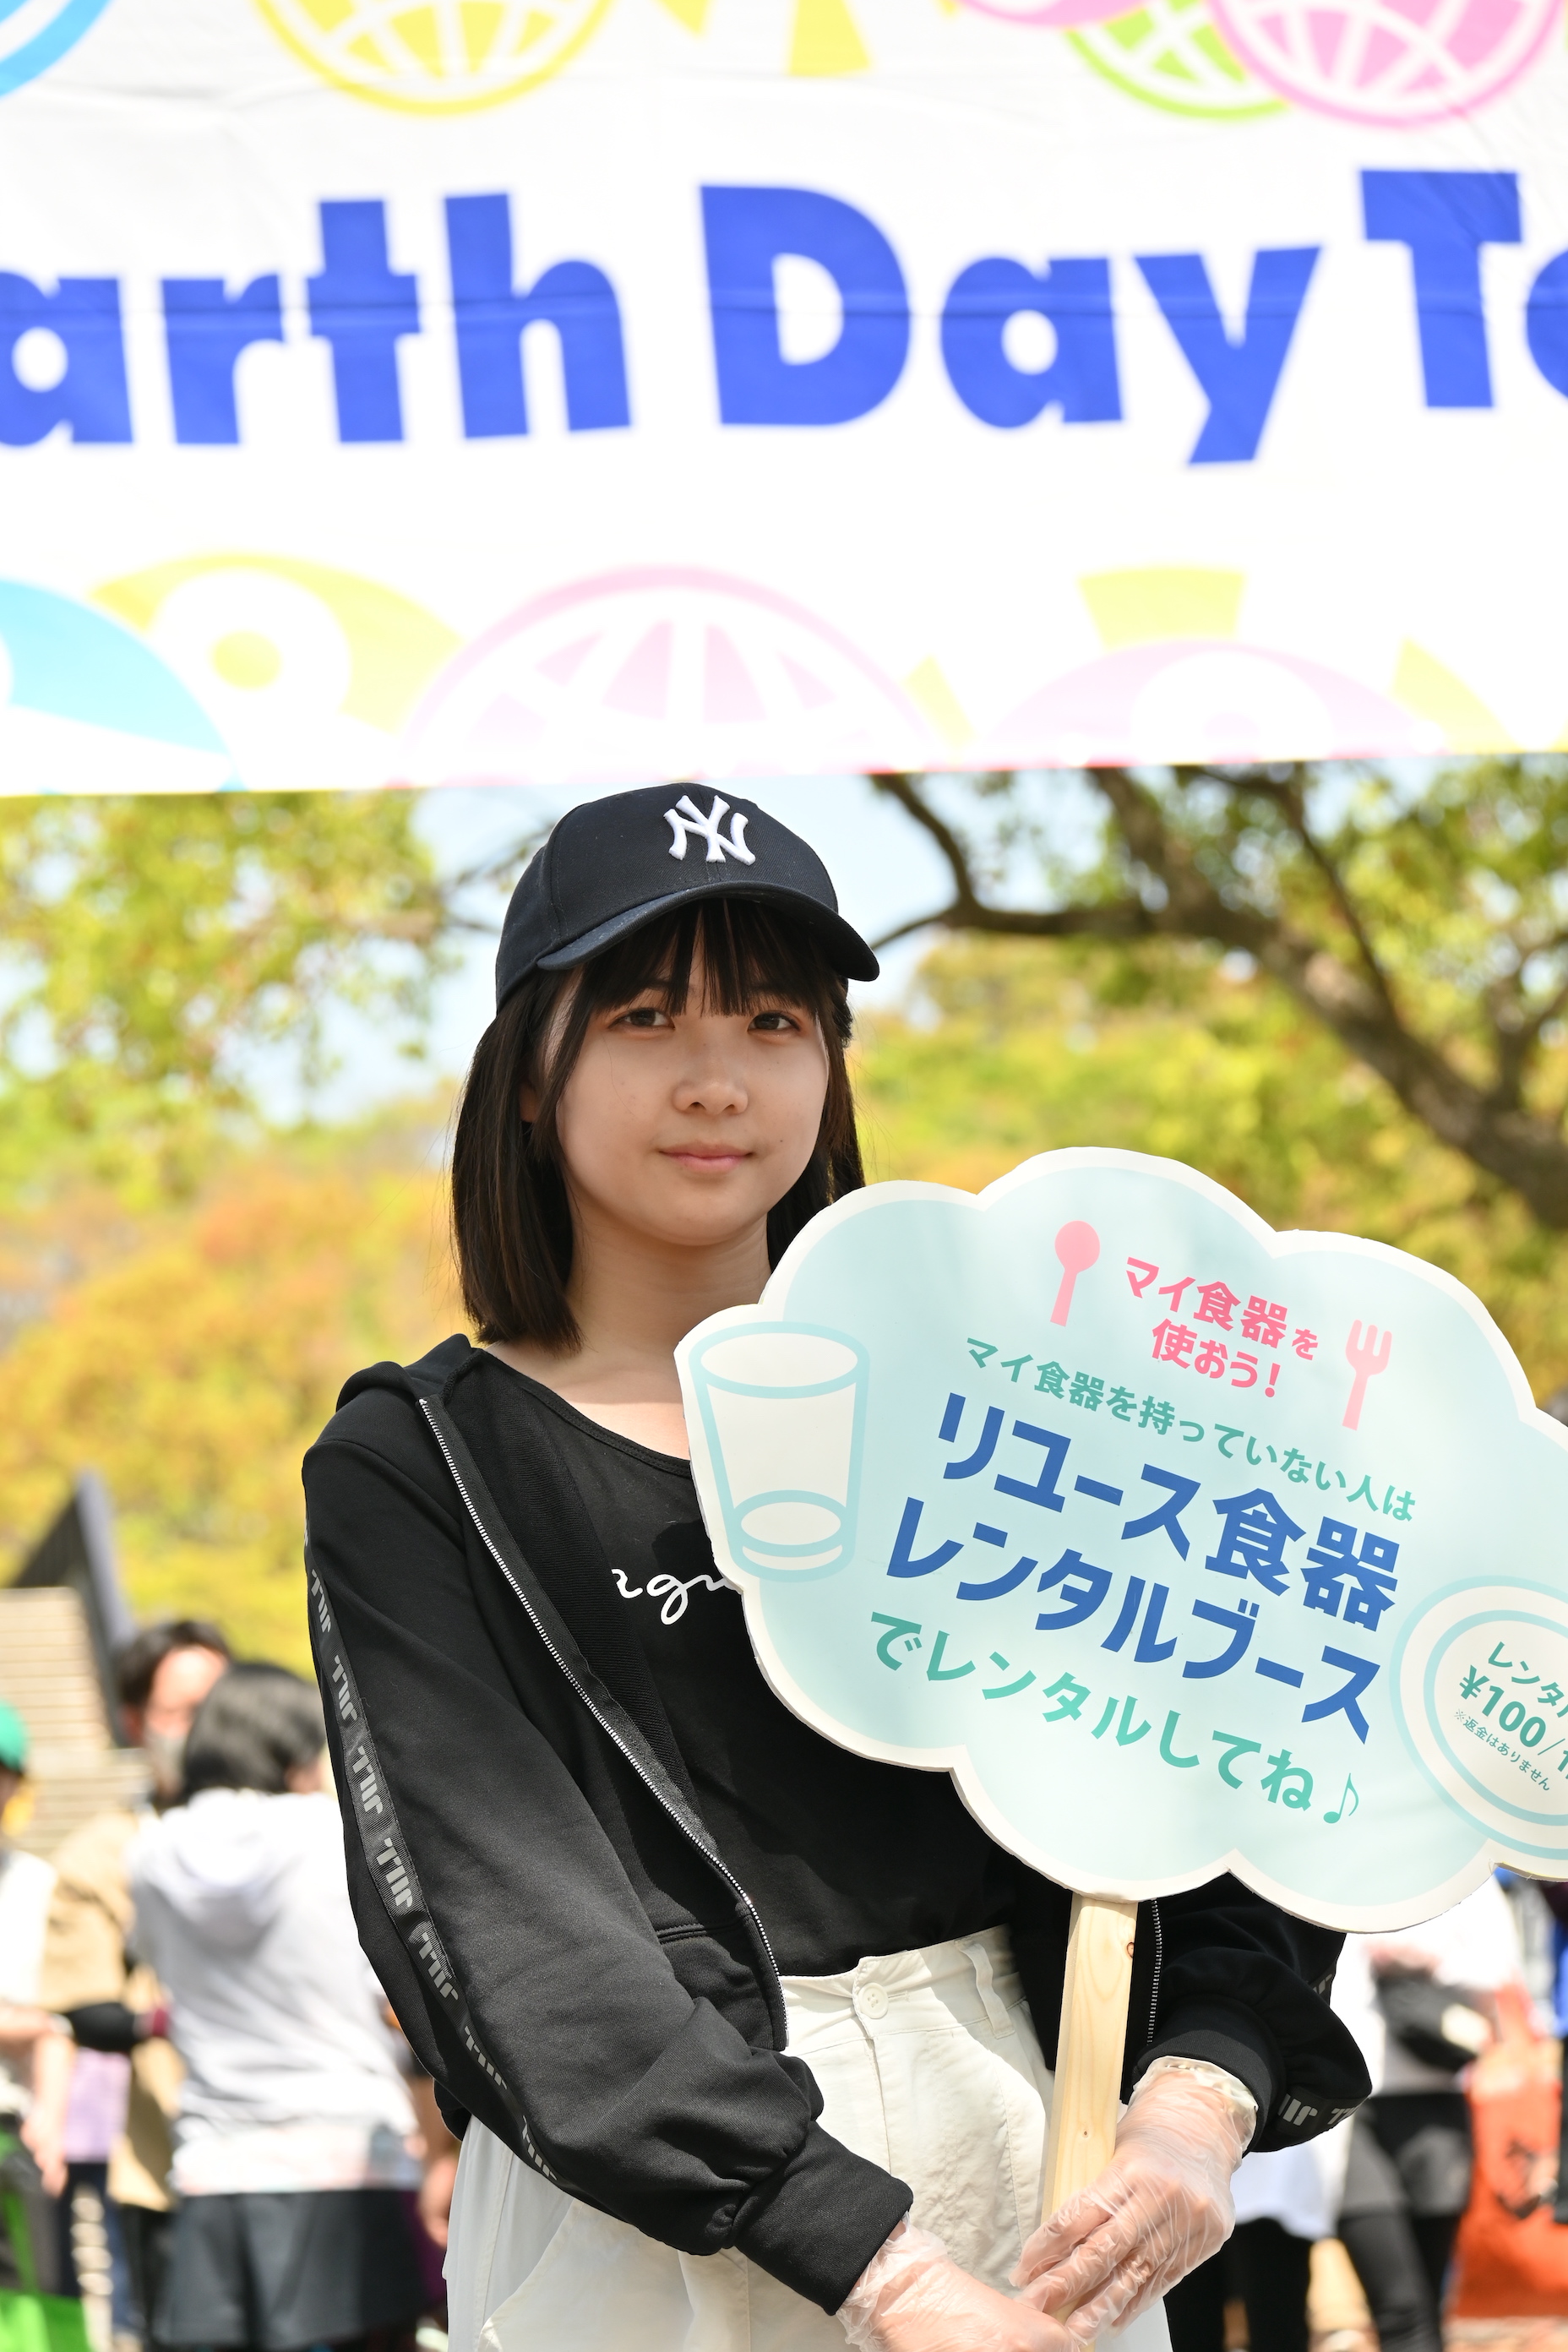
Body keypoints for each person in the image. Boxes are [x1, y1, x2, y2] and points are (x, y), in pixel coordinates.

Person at [301, 787, 1369, 2352]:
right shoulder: (421, 1462)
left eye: (776, 1020)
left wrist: (1201, 2096)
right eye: (645, 1017)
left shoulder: (1008, 1394)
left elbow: (1227, 1747)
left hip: (1035, 2146)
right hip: (658, 2217)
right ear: (529, 1068)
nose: (717, 1077)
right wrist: (887, 2273)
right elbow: (507, 1932)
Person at [128, 1663, 427, 2352]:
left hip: (216, 2159)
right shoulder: (330, 1832)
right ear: (292, 1750)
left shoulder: (149, 1853)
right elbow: (393, 1992)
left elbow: (156, 1969)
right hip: (349, 2151)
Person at [25, 1618, 230, 2348]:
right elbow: (82, 2008)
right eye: (182, 1710)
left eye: (220, 1704)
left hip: (317, 2162)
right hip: (171, 2168)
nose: (208, 1727)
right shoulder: (102, 1854)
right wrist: (177, 2018)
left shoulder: (317, 1822)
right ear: (135, 1722)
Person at [1332, 1873, 1523, 2352]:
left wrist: (1424, 1957)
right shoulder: (1323, 1869)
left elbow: (1501, 1968)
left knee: (1427, 2305)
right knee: (1398, 2305)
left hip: (1432, 2104)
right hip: (1343, 2111)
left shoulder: (1461, 1870)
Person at [0, 1699, 66, 2300]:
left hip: (14, 2127)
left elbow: (59, 2020)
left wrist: (52, 2117)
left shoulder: (39, 1885)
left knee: (36, 2310)